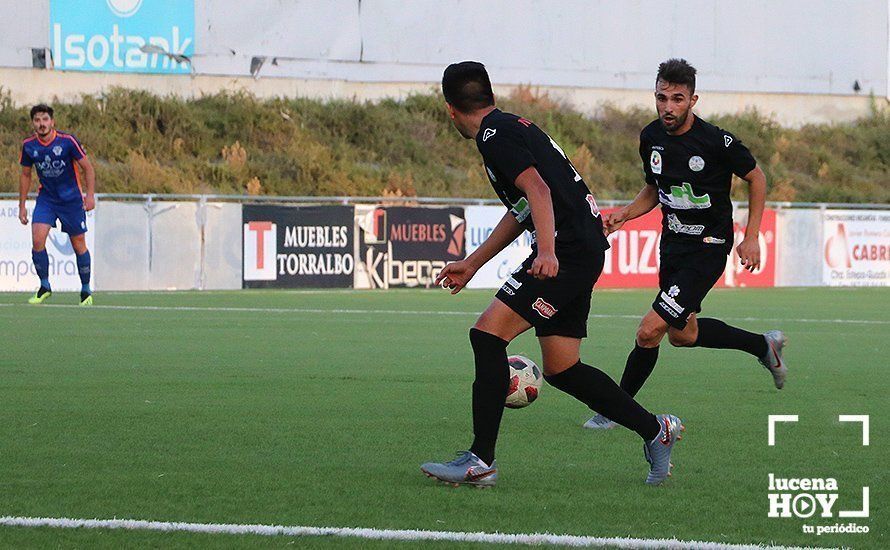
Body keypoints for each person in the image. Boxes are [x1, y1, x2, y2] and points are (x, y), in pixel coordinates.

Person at [421, 61, 683, 487]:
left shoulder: (493, 136)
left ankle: (479, 460)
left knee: (487, 335)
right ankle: (657, 430)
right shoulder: (512, 127)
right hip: (580, 248)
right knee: (562, 368)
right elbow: (524, 205)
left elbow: (539, 191)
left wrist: (547, 251)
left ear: (450, 110)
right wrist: (473, 263)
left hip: (567, 252)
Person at [583, 59, 787, 431]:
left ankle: (615, 409)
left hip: (708, 247)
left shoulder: (716, 141)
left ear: (693, 99)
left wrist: (751, 235)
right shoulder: (651, 137)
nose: (668, 107)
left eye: (677, 99)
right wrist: (626, 214)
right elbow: (655, 189)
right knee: (683, 334)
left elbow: (756, 177)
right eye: (662, 98)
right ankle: (763, 346)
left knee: (649, 330)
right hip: (673, 245)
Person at [19, 104, 96, 305]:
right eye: (37, 120)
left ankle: (86, 290)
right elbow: (25, 174)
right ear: (33, 123)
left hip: (71, 200)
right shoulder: (29, 146)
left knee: (78, 245)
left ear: (52, 122)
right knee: (37, 240)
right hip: (47, 199)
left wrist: (89, 196)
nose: (41, 124)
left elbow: (88, 168)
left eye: (45, 119)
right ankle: (44, 286)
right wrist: (22, 206)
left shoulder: (68, 141)